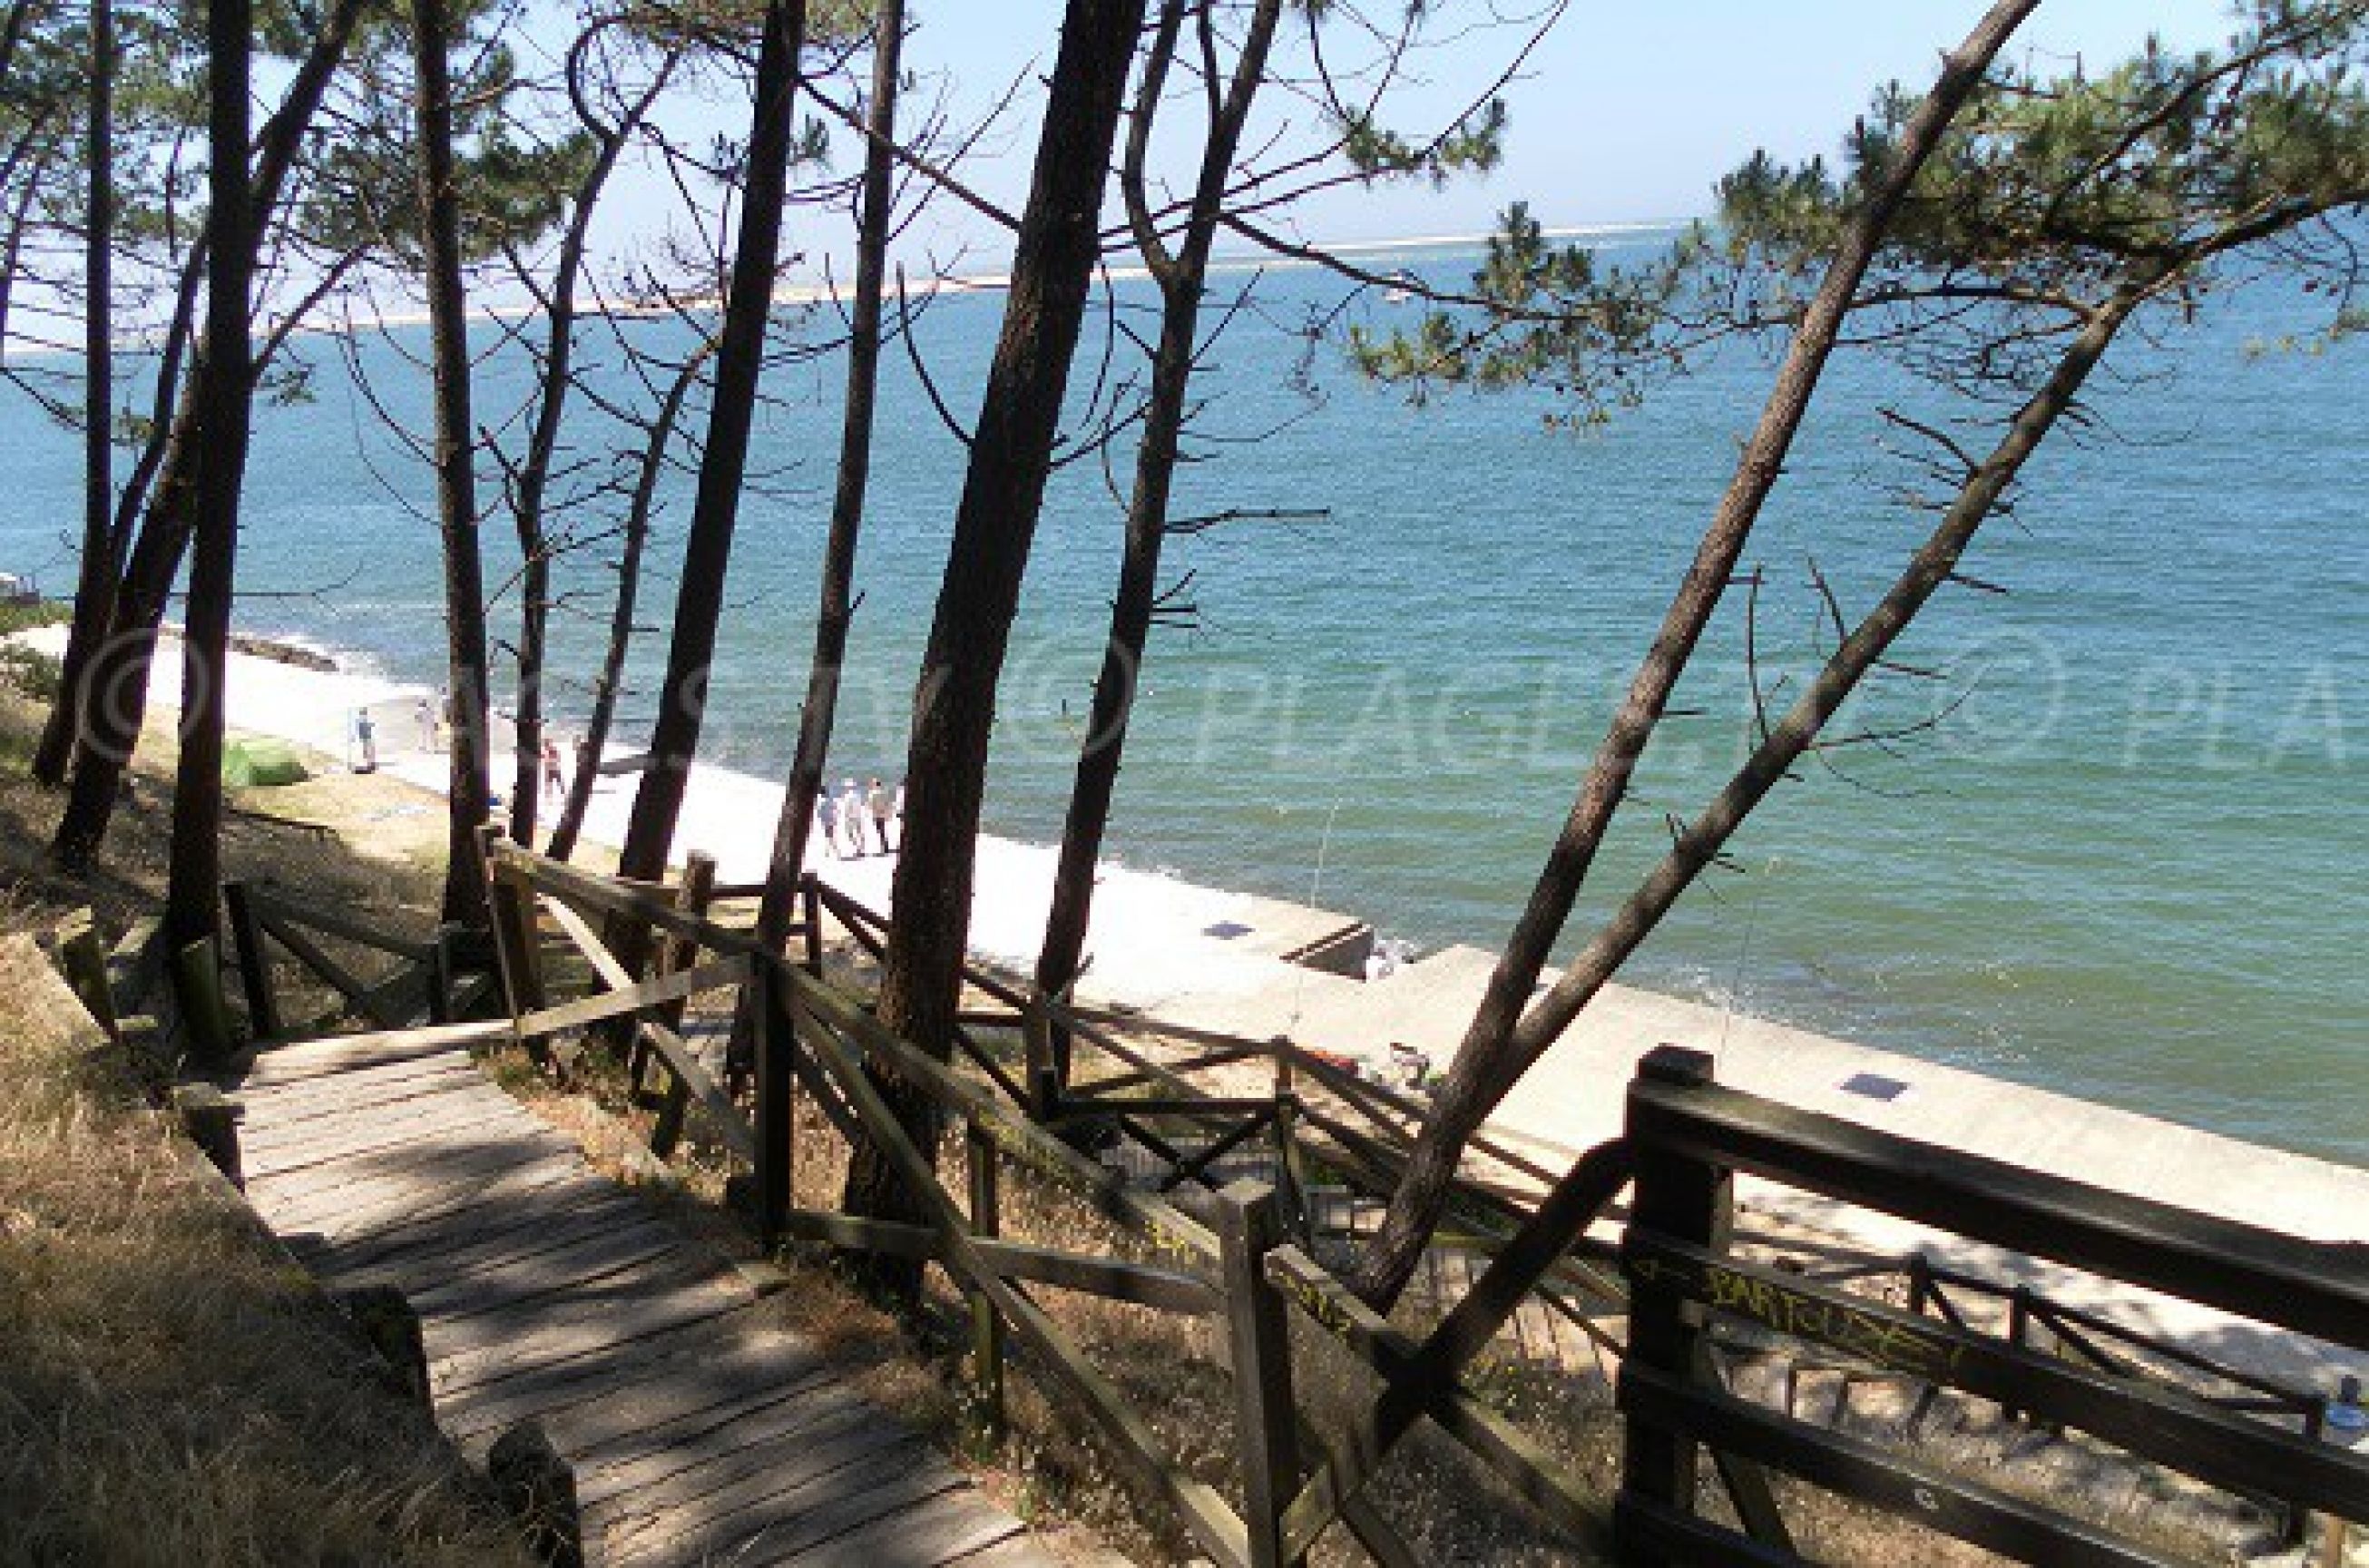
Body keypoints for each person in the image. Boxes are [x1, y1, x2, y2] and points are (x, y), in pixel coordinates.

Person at [837, 779, 867, 858]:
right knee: (860, 832)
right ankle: (861, 848)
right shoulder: (858, 795)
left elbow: (846, 809)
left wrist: (846, 817)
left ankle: (858, 848)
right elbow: (862, 805)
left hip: (850, 818)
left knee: (850, 834)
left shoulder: (846, 796)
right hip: (859, 816)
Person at [866, 777, 894, 854]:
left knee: (880, 831)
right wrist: (888, 813)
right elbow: (888, 803)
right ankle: (885, 846)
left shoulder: (872, 794)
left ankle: (883, 847)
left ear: (874, 784)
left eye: (872, 783)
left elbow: (870, 805)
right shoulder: (883, 792)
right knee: (883, 830)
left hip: (877, 814)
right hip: (883, 813)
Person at [816, 788, 841, 859]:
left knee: (829, 836)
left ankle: (833, 851)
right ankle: (830, 851)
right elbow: (835, 810)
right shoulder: (830, 800)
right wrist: (835, 819)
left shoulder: (821, 802)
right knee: (830, 836)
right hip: (831, 820)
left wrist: (822, 820)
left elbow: (819, 813)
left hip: (826, 821)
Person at [541, 738, 564, 805]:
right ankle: (548, 798)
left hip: (554, 769)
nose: (547, 746)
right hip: (549, 770)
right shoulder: (546, 751)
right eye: (546, 745)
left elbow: (557, 758)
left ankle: (562, 795)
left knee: (559, 783)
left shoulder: (553, 750)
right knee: (549, 784)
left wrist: (547, 759)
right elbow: (543, 759)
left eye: (547, 744)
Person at [354, 709, 377, 774]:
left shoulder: (361, 722)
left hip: (366, 739)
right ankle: (371, 766)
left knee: (368, 753)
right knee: (369, 753)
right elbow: (365, 731)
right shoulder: (363, 722)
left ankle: (370, 766)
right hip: (367, 739)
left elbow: (361, 732)